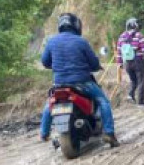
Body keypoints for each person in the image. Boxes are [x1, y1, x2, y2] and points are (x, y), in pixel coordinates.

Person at [39, 13, 119, 147]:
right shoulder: (81, 41)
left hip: (59, 84)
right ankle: (109, 133)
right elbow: (93, 63)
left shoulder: (51, 41)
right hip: (82, 83)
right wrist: (95, 66)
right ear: (76, 26)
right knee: (103, 101)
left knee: (50, 104)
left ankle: (43, 133)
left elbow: (45, 62)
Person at [116, 18, 144, 105]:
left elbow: (119, 51)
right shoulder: (139, 35)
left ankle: (131, 95)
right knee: (141, 80)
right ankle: (140, 101)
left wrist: (119, 63)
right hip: (138, 61)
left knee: (133, 80)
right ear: (135, 25)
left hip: (127, 62)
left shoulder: (121, 37)